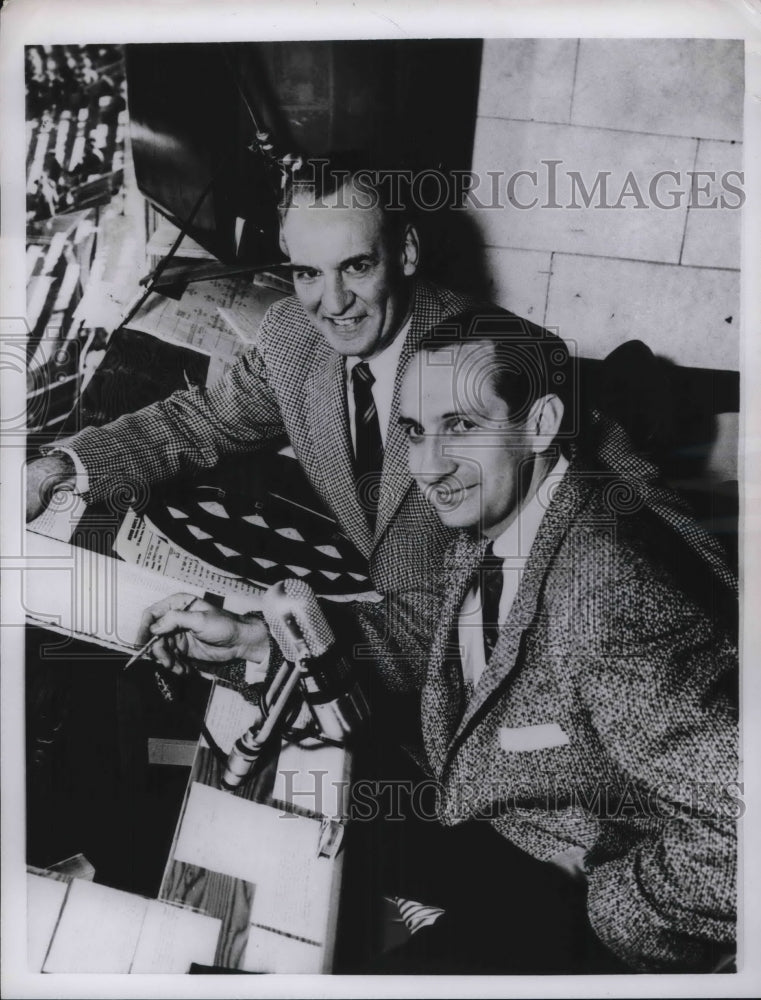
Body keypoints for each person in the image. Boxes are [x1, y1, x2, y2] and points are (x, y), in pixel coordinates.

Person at [369, 307, 737, 973]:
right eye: (415, 431)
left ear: (538, 425)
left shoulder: (609, 590)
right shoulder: (507, 508)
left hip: (584, 893)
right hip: (501, 818)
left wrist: (613, 907)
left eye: (459, 427)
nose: (425, 466)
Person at [25, 160, 476, 692]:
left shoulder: (489, 376)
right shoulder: (293, 334)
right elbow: (202, 422)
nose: (332, 304)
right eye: (307, 272)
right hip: (372, 604)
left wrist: (264, 640)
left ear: (406, 253)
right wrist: (56, 468)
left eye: (356, 266)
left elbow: (469, 626)